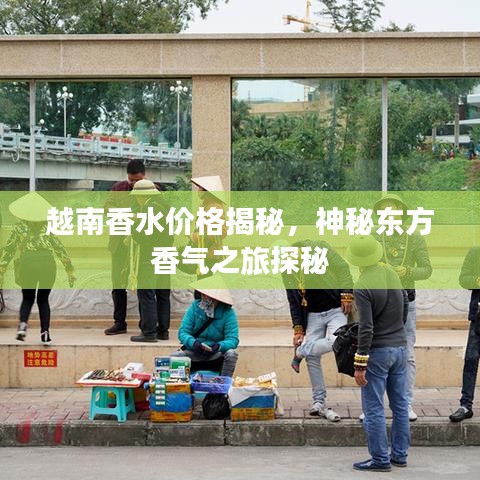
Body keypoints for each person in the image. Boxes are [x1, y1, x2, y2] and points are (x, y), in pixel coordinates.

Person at [345, 235, 410, 472]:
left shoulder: (362, 286)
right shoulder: (391, 273)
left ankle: (380, 459)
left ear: (357, 261)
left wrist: (360, 363)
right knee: (400, 405)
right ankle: (400, 455)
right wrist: (397, 330)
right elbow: (405, 303)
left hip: (378, 353)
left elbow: (366, 328)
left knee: (373, 408)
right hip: (400, 348)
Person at [372, 193, 432, 421]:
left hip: (407, 299)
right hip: (380, 300)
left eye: (393, 209)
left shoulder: (414, 236)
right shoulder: (373, 236)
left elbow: (426, 269)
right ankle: (372, 406)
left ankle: (405, 403)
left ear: (401, 212)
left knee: (407, 352)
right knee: (373, 351)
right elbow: (363, 264)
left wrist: (407, 271)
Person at [283, 239, 354, 421]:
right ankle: (318, 401)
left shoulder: (319, 248)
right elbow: (293, 300)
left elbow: (342, 268)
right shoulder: (287, 268)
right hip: (313, 314)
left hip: (335, 309)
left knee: (337, 341)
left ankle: (300, 352)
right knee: (313, 357)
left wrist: (347, 294)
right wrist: (298, 329)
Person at [0, 192, 76, 344]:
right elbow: (59, 249)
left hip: (28, 263)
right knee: (43, 300)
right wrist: (69, 270)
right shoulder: (47, 227)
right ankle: (45, 333)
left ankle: (22, 326)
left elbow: (9, 250)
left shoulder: (19, 228)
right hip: (47, 264)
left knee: (28, 298)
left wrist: (2, 269)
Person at [104, 159, 146, 336]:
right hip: (119, 243)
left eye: (137, 180)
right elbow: (107, 208)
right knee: (118, 283)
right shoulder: (118, 188)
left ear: (144, 175)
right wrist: (127, 215)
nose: (134, 183)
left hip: (141, 245)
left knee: (144, 286)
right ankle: (119, 322)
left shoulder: (153, 189)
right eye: (131, 180)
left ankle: (146, 324)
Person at [129, 179, 172, 343]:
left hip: (149, 256)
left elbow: (141, 235)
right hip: (165, 254)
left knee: (146, 293)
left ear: (142, 196)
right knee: (163, 294)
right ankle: (163, 330)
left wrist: (133, 224)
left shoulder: (148, 209)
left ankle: (148, 332)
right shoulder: (165, 206)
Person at [171, 276, 239, 377]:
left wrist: (219, 346)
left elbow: (233, 339)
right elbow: (183, 332)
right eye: (203, 294)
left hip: (215, 354)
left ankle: (223, 383)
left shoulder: (228, 313)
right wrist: (194, 343)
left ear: (217, 299)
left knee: (231, 354)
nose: (205, 298)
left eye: (209, 296)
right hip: (194, 352)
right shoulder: (194, 307)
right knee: (175, 357)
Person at [449, 247, 480, 422]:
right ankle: (465, 405)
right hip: (478, 318)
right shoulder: (475, 252)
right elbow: (464, 279)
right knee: (470, 360)